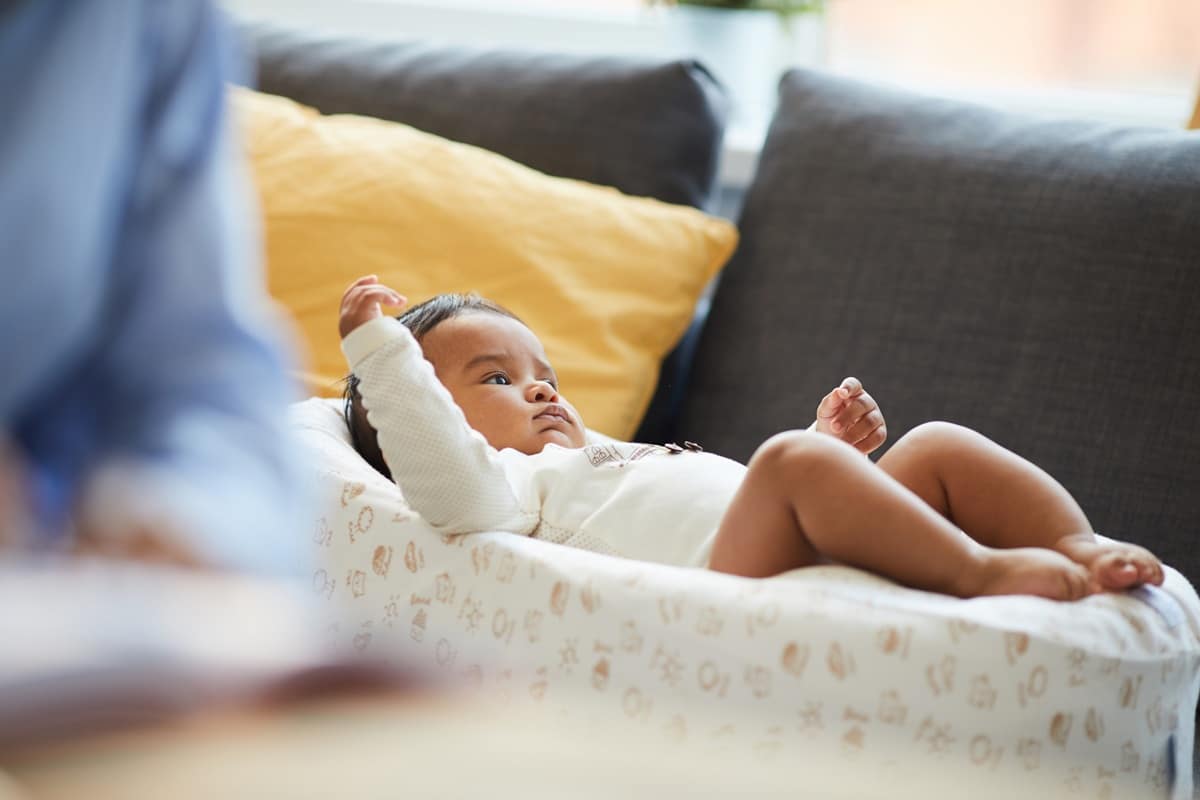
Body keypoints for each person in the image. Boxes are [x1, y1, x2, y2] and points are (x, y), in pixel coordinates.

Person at [338, 275, 1163, 600]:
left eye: (543, 370)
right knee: (789, 462)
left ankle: (1077, 543)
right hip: (727, 590)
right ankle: (987, 572)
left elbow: (741, 499)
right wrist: (383, 356)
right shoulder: (507, 494)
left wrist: (831, 450)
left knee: (938, 446)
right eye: (496, 379)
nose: (542, 388)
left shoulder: (606, 456)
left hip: (784, 541)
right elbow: (437, 469)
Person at [0, 0, 306, 573]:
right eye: (494, 375)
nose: (534, 390)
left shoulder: (154, 20)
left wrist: (187, 520)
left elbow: (200, 367)